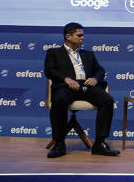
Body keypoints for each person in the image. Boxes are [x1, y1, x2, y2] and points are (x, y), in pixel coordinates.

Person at [44, 22, 120, 158]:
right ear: (68, 36)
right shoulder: (54, 52)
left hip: (87, 86)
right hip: (66, 87)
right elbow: (49, 70)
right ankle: (59, 144)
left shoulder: (88, 54)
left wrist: (95, 79)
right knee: (59, 100)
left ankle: (99, 144)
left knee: (107, 100)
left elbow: (100, 70)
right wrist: (66, 79)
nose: (82, 38)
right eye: (79, 35)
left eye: (83, 36)